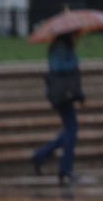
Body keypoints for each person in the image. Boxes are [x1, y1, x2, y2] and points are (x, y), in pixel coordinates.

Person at [32, 33, 85, 185]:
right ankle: (65, 169)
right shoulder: (61, 47)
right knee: (72, 130)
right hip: (61, 95)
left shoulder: (64, 46)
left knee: (71, 130)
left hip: (64, 94)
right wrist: (74, 61)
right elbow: (59, 67)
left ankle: (42, 155)